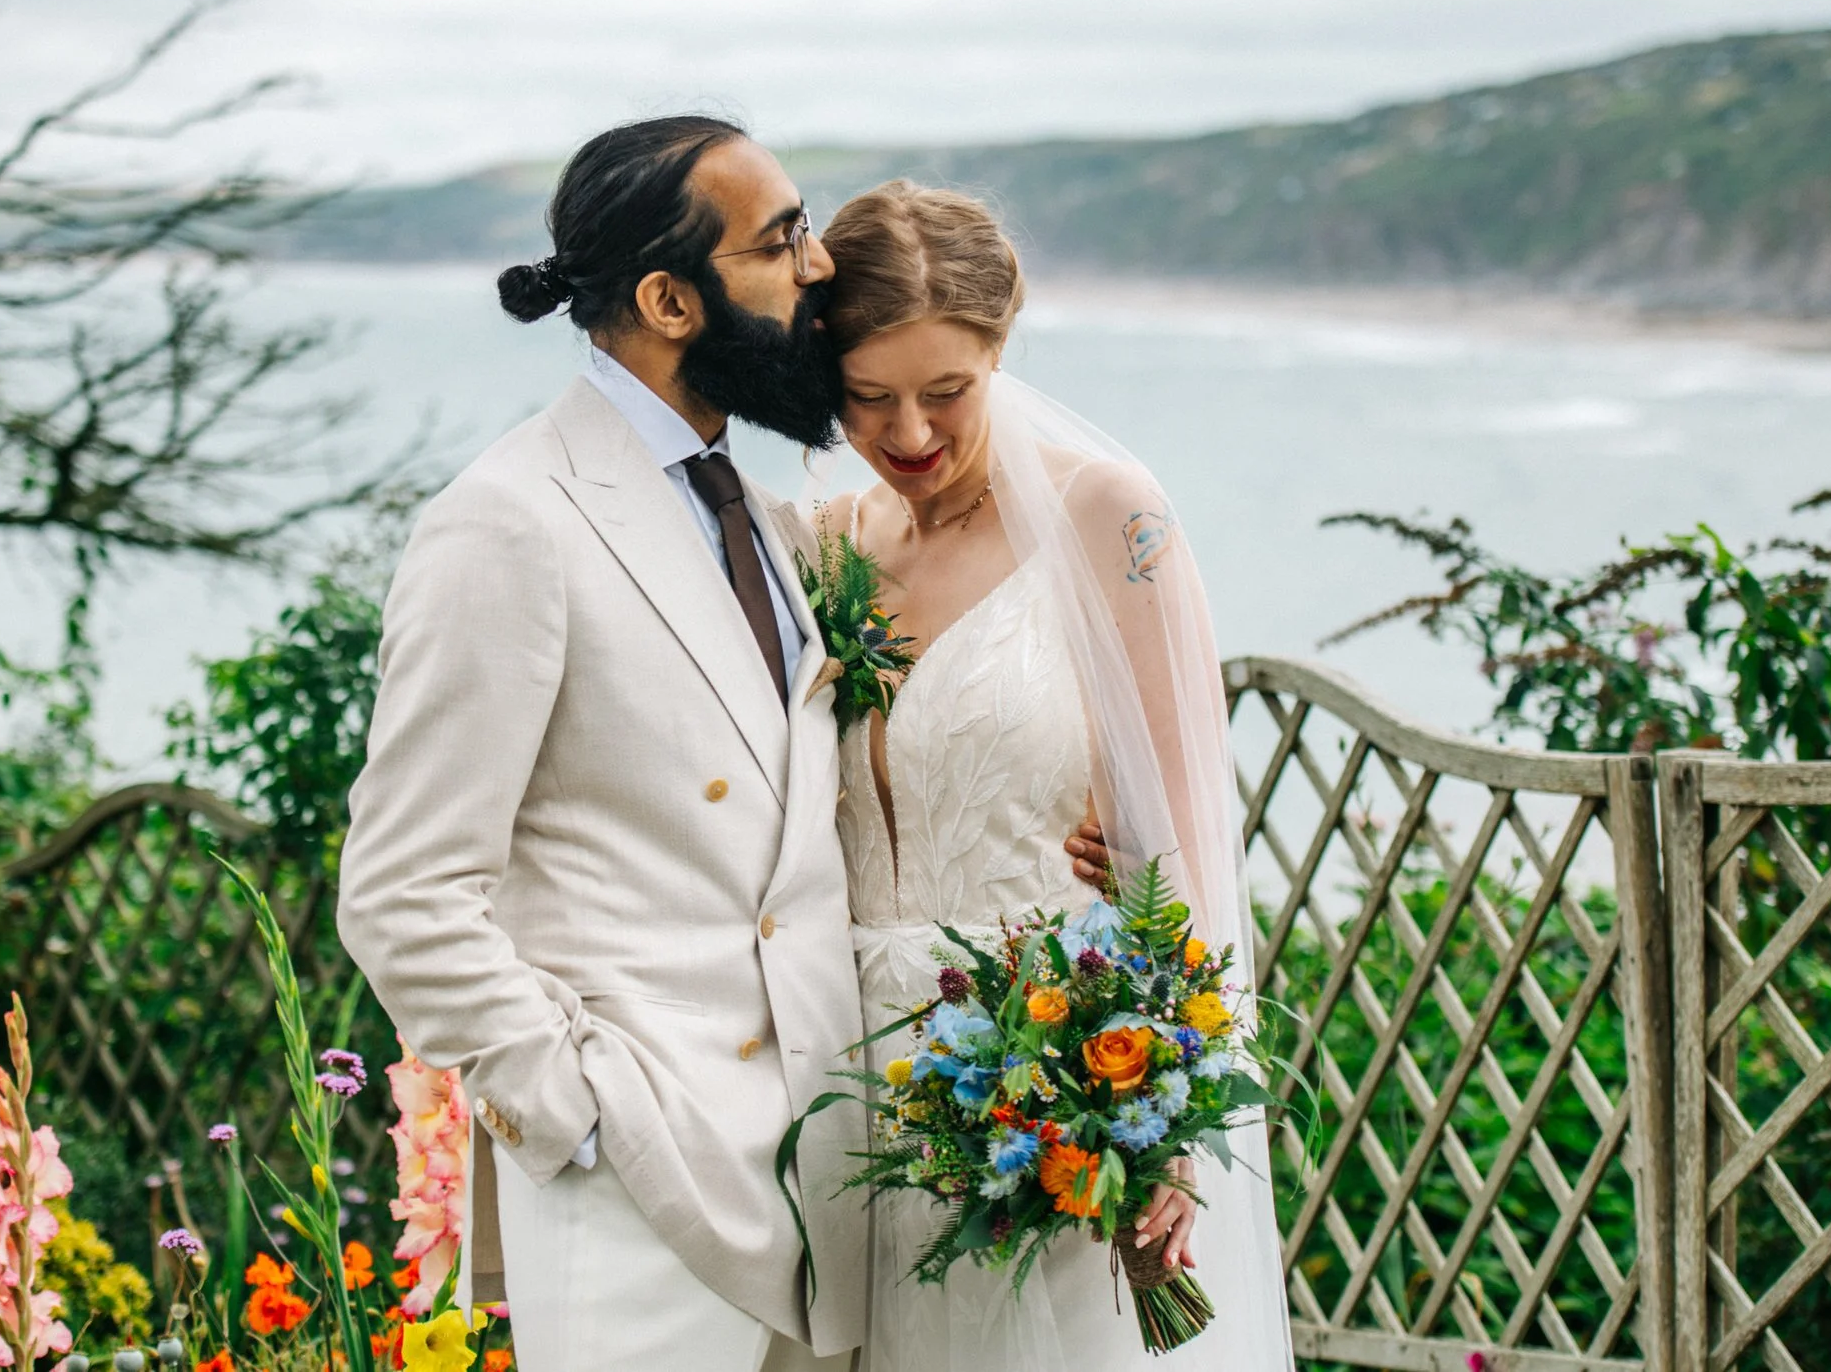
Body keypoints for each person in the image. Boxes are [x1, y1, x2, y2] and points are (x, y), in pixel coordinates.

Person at [337, 117, 869, 1372]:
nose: (819, 265)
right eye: (782, 238)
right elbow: (403, 887)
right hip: (643, 1189)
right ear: (669, 299)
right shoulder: (509, 521)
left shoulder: (774, 524)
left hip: (829, 1181)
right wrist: (573, 1111)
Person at [813, 182, 1295, 1372]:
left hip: (1045, 1084)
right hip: (844, 1088)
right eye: (868, 397)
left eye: (947, 391)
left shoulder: (1104, 519)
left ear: (1000, 351)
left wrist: (1166, 1114)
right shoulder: (828, 545)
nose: (910, 433)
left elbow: (1174, 848)